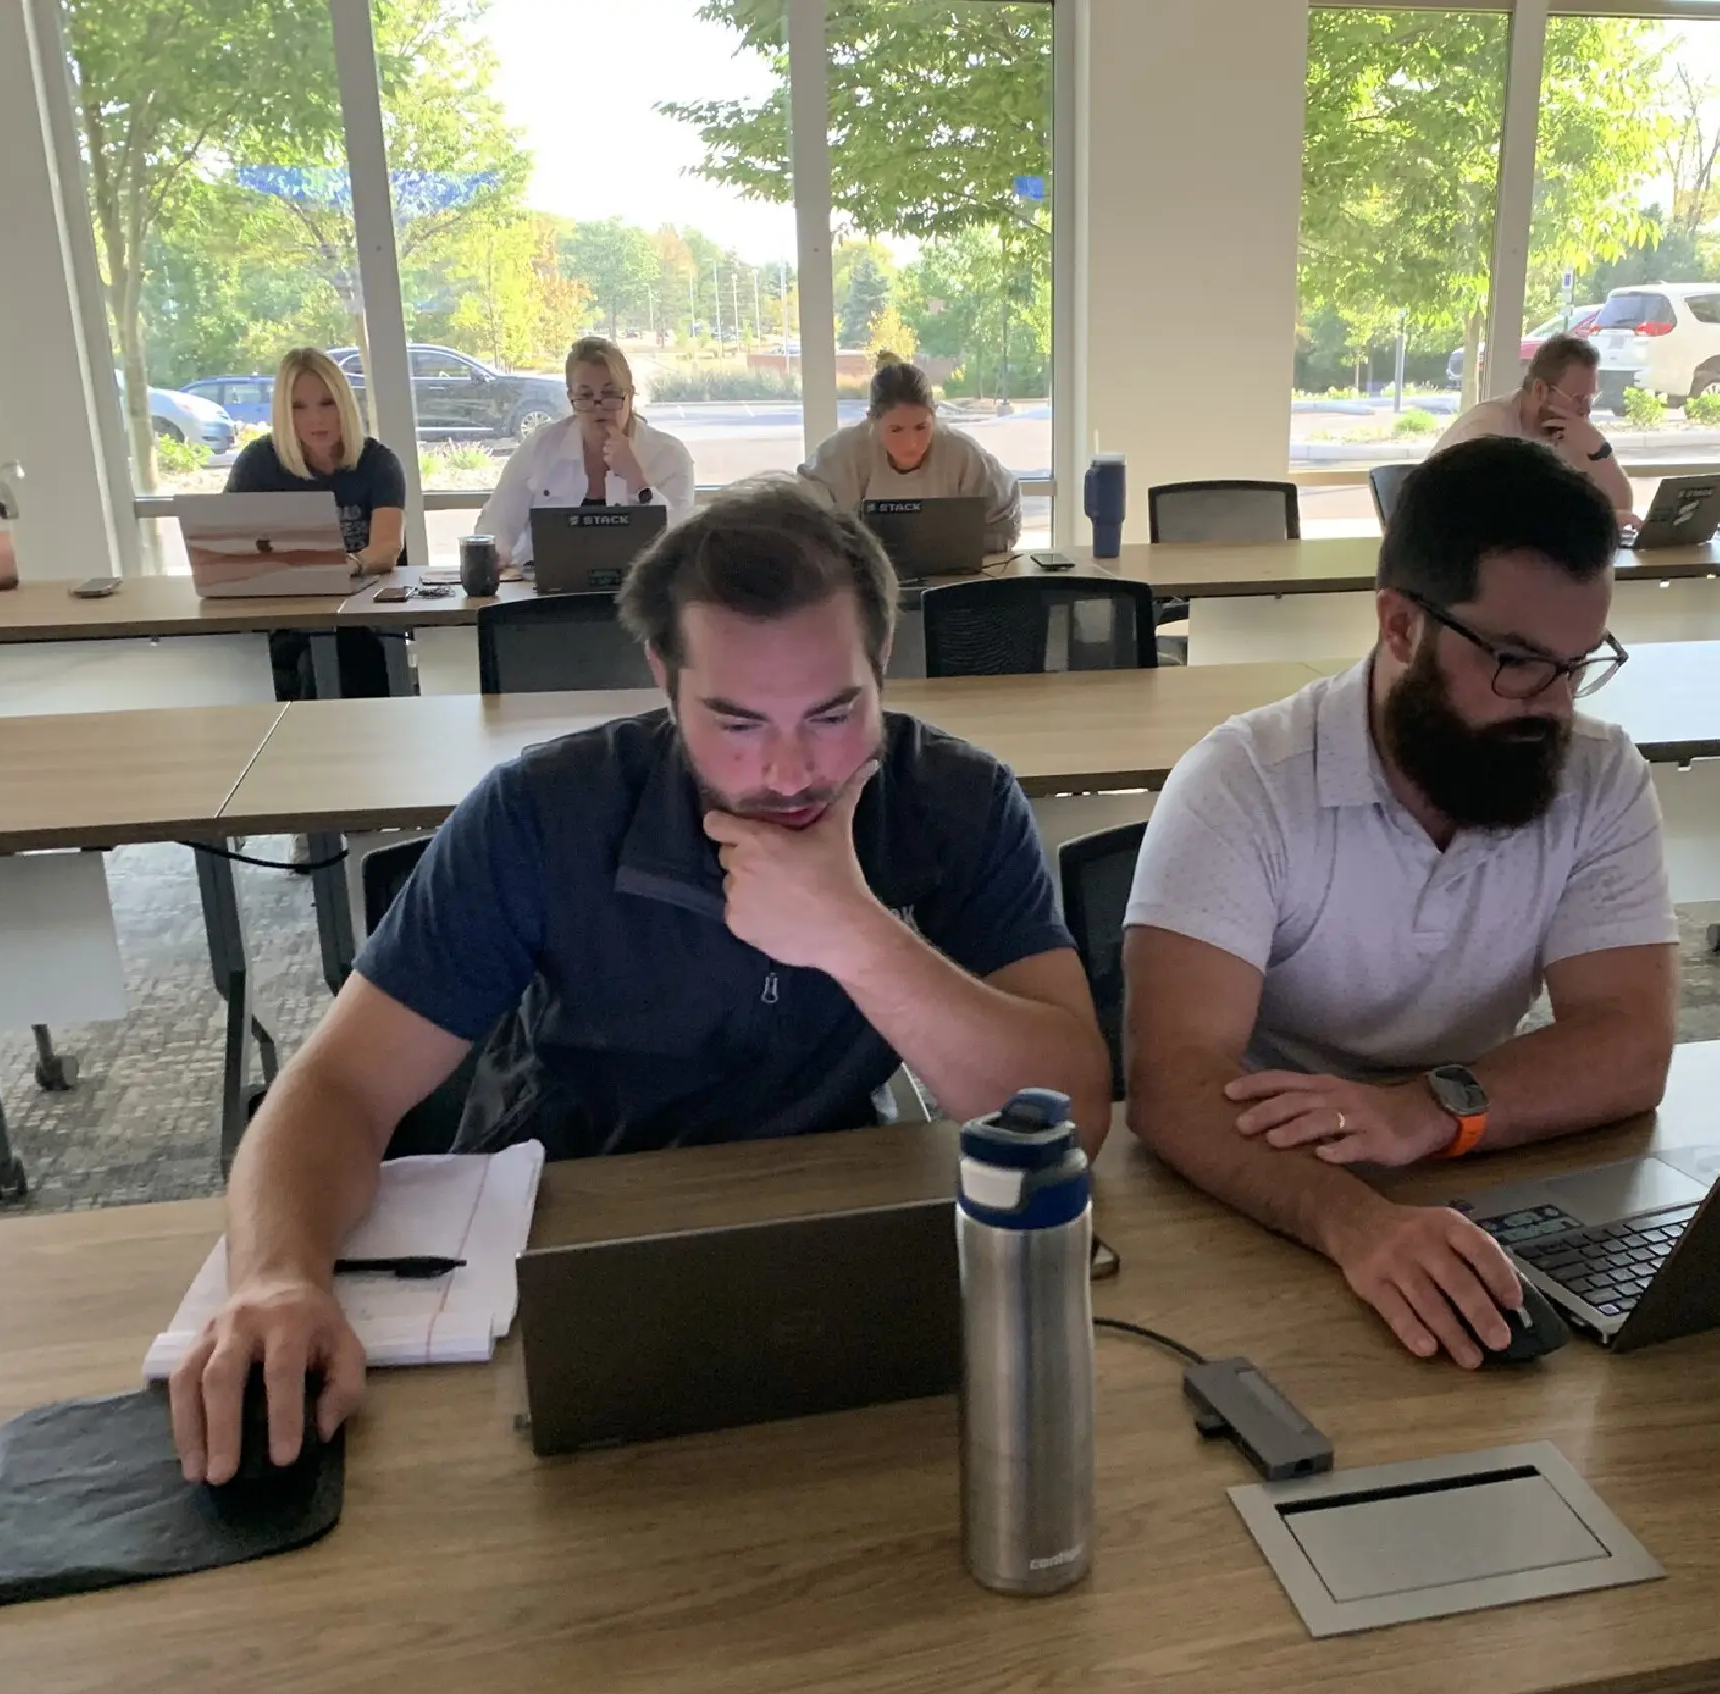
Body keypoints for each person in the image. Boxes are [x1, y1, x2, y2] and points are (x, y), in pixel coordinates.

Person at [170, 476, 1110, 1484]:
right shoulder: (539, 814)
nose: (791, 773)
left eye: (835, 713)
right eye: (737, 722)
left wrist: (852, 931)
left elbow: (1073, 1112)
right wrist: (274, 1277)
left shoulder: (957, 798)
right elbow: (338, 1087)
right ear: (663, 676)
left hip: (825, 1242)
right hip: (555, 1240)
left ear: (880, 660)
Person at [1122, 437, 1679, 1370]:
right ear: (1399, 626)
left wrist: (1428, 1109)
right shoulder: (1244, 782)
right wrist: (1359, 1223)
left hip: (1481, 1155)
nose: (1553, 704)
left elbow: (1631, 1044)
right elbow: (1173, 1084)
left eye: (1580, 664)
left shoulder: (1597, 774)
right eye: (1517, 660)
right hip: (1268, 1185)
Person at [227, 346, 408, 697]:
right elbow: (228, 546)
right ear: (283, 412)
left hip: (360, 618)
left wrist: (349, 564)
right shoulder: (258, 464)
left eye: (327, 403)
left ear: (344, 403)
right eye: (298, 407)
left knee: (340, 661)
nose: (316, 419)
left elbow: (387, 548)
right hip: (282, 617)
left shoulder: (377, 463)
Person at [475, 335, 696, 569]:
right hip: (543, 592)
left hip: (638, 595)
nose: (598, 408)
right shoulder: (541, 446)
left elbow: (678, 548)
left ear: (629, 396)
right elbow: (497, 522)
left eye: (610, 394)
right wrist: (496, 556)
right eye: (586, 396)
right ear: (571, 398)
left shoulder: (669, 455)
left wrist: (637, 481)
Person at [805, 354, 1022, 553]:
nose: (911, 444)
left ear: (934, 415)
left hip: (947, 576)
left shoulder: (961, 453)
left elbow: (1006, 512)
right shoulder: (842, 454)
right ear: (872, 420)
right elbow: (802, 520)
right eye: (896, 430)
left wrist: (963, 549)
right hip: (864, 578)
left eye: (921, 427)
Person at [1436, 334, 1635, 519]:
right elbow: (1497, 519)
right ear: (1540, 390)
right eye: (1578, 398)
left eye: (1591, 397)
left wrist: (1598, 449)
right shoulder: (1489, 429)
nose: (1586, 409)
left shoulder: (1569, 432)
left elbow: (1622, 508)